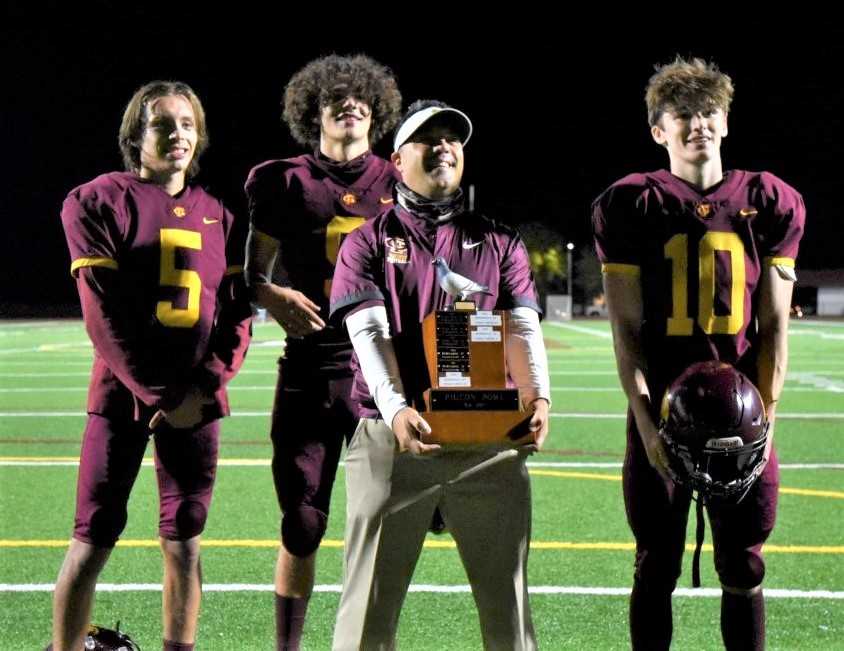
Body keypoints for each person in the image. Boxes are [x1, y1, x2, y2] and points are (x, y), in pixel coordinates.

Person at [592, 56, 805, 650]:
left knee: (743, 564)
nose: (698, 125)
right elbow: (626, 329)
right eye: (681, 116)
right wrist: (646, 425)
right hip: (663, 411)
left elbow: (774, 324)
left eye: (708, 113)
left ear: (727, 122)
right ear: (659, 131)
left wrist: (766, 418)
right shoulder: (631, 203)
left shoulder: (770, 200)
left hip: (743, 411)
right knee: (654, 564)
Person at [329, 100, 551, 650]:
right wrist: (398, 409)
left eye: (454, 137)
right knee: (366, 616)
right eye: (429, 138)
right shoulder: (367, 240)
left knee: (510, 613)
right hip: (394, 437)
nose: (444, 146)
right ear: (397, 159)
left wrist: (538, 397)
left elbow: (522, 328)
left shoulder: (500, 240)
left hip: (486, 438)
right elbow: (371, 334)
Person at [50, 80, 252, 651]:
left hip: (196, 402)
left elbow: (237, 319)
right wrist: (162, 394)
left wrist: (205, 386)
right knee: (91, 538)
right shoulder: (96, 199)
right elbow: (102, 314)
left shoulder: (220, 215)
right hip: (122, 397)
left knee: (186, 542)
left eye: (187, 123)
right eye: (163, 123)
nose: (178, 134)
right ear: (136, 135)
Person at [242, 54, 402, 650]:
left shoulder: (399, 179)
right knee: (302, 524)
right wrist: (270, 292)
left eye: (361, 96)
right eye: (336, 96)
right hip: (309, 369)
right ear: (314, 111)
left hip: (381, 378)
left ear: (376, 111)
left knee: (383, 529)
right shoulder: (281, 180)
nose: (350, 103)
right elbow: (249, 276)